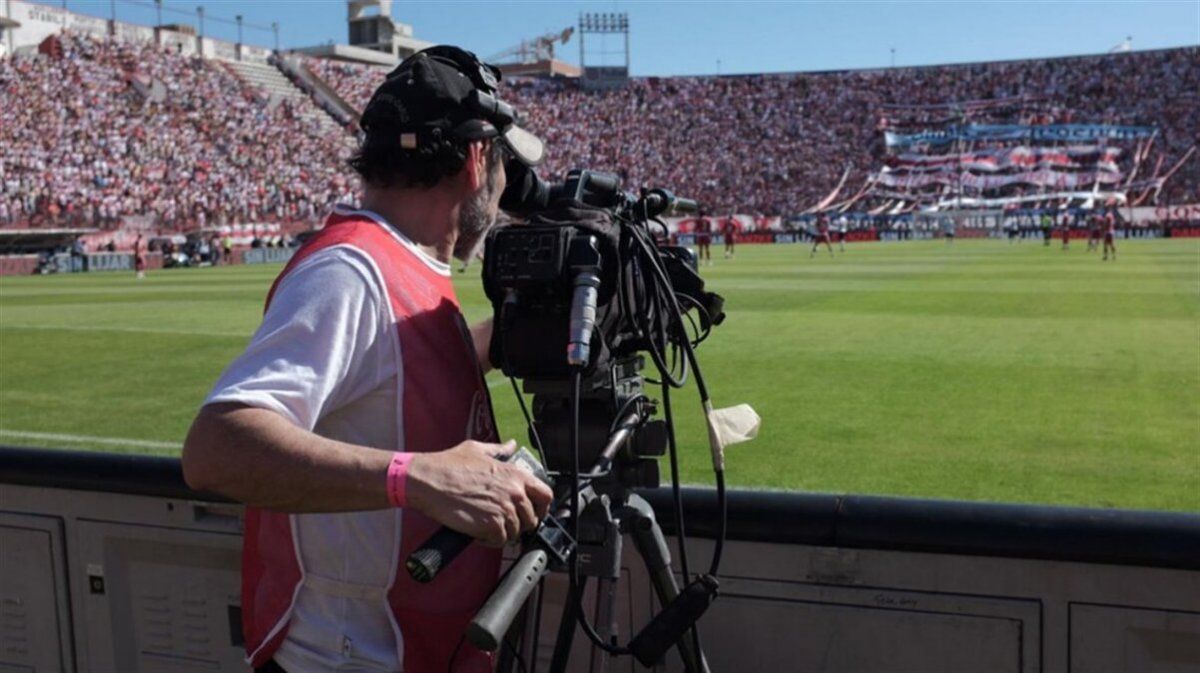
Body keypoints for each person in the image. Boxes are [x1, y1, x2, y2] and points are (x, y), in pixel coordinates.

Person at [181, 46, 554, 673]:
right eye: (502, 167)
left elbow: (401, 367)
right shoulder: (351, 270)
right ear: (475, 158)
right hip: (352, 657)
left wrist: (525, 332)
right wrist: (422, 477)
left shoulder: (399, 259)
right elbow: (216, 449)